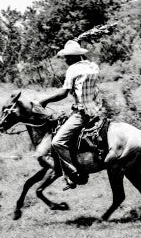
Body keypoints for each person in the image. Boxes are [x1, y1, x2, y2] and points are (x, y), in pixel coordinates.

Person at [39, 40, 102, 189]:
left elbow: (63, 93)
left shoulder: (73, 69)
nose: (66, 60)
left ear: (73, 57)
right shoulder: (93, 66)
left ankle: (73, 174)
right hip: (95, 110)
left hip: (82, 113)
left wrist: (45, 101)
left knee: (57, 142)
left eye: (67, 57)